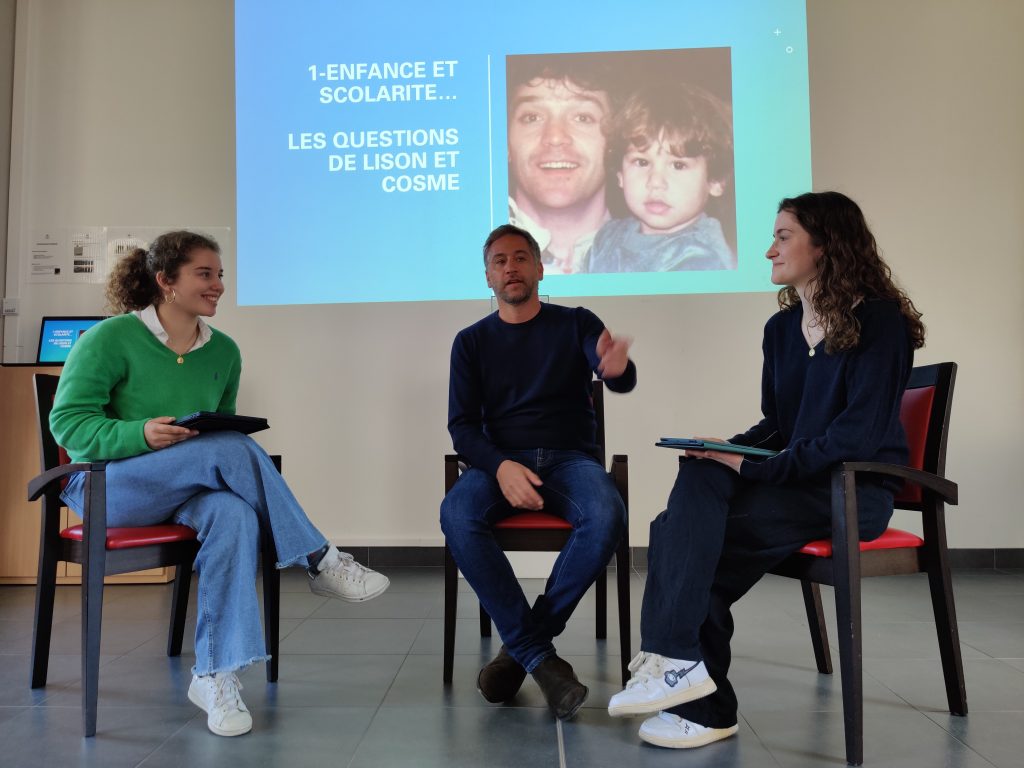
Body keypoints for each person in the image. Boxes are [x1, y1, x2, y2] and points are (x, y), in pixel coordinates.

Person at [608, 192, 925, 749]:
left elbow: (856, 437)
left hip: (852, 491)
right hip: (798, 484)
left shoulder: (880, 322)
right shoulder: (782, 330)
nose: (768, 250)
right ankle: (682, 671)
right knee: (699, 477)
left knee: (677, 537)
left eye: (783, 236)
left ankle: (694, 691)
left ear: (825, 244)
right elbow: (779, 425)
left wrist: (755, 468)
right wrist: (726, 450)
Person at [49, 231, 390, 738]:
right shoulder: (109, 339)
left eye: (220, 274)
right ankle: (319, 558)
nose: (218, 286)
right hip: (107, 488)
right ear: (166, 281)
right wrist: (140, 432)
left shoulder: (223, 351)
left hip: (184, 490)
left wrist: (203, 440)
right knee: (229, 449)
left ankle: (214, 675)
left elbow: (218, 435)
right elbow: (69, 425)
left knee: (233, 512)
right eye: (204, 274)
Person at [440, 223, 637, 720]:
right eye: (501, 261)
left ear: (540, 268)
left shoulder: (576, 322)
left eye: (521, 258)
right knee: (457, 514)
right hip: (500, 464)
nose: (512, 267)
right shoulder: (470, 342)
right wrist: (500, 465)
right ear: (488, 277)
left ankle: (522, 651)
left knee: (607, 512)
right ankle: (543, 662)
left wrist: (616, 371)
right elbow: (462, 427)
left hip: (570, 461)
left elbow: (616, 372)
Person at [588, 82, 735, 273]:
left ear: (716, 181)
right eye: (641, 162)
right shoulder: (608, 236)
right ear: (620, 175)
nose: (655, 182)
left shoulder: (700, 260)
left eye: (678, 165)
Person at [506, 54, 614, 274]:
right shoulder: (460, 248)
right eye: (532, 117)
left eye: (583, 118)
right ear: (505, 143)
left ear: (615, 143)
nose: (555, 137)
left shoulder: (679, 255)